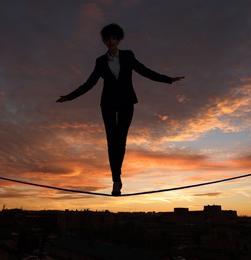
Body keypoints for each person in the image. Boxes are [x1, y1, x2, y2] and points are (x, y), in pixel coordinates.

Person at [57, 23, 184, 196]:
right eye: (107, 38)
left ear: (119, 39)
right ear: (104, 41)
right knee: (112, 141)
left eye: (114, 38)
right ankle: (116, 180)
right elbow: (90, 83)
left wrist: (168, 79)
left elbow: (144, 71)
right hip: (107, 104)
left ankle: (117, 178)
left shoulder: (128, 55)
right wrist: (69, 96)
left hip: (126, 102)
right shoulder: (100, 61)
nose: (110, 41)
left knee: (121, 140)